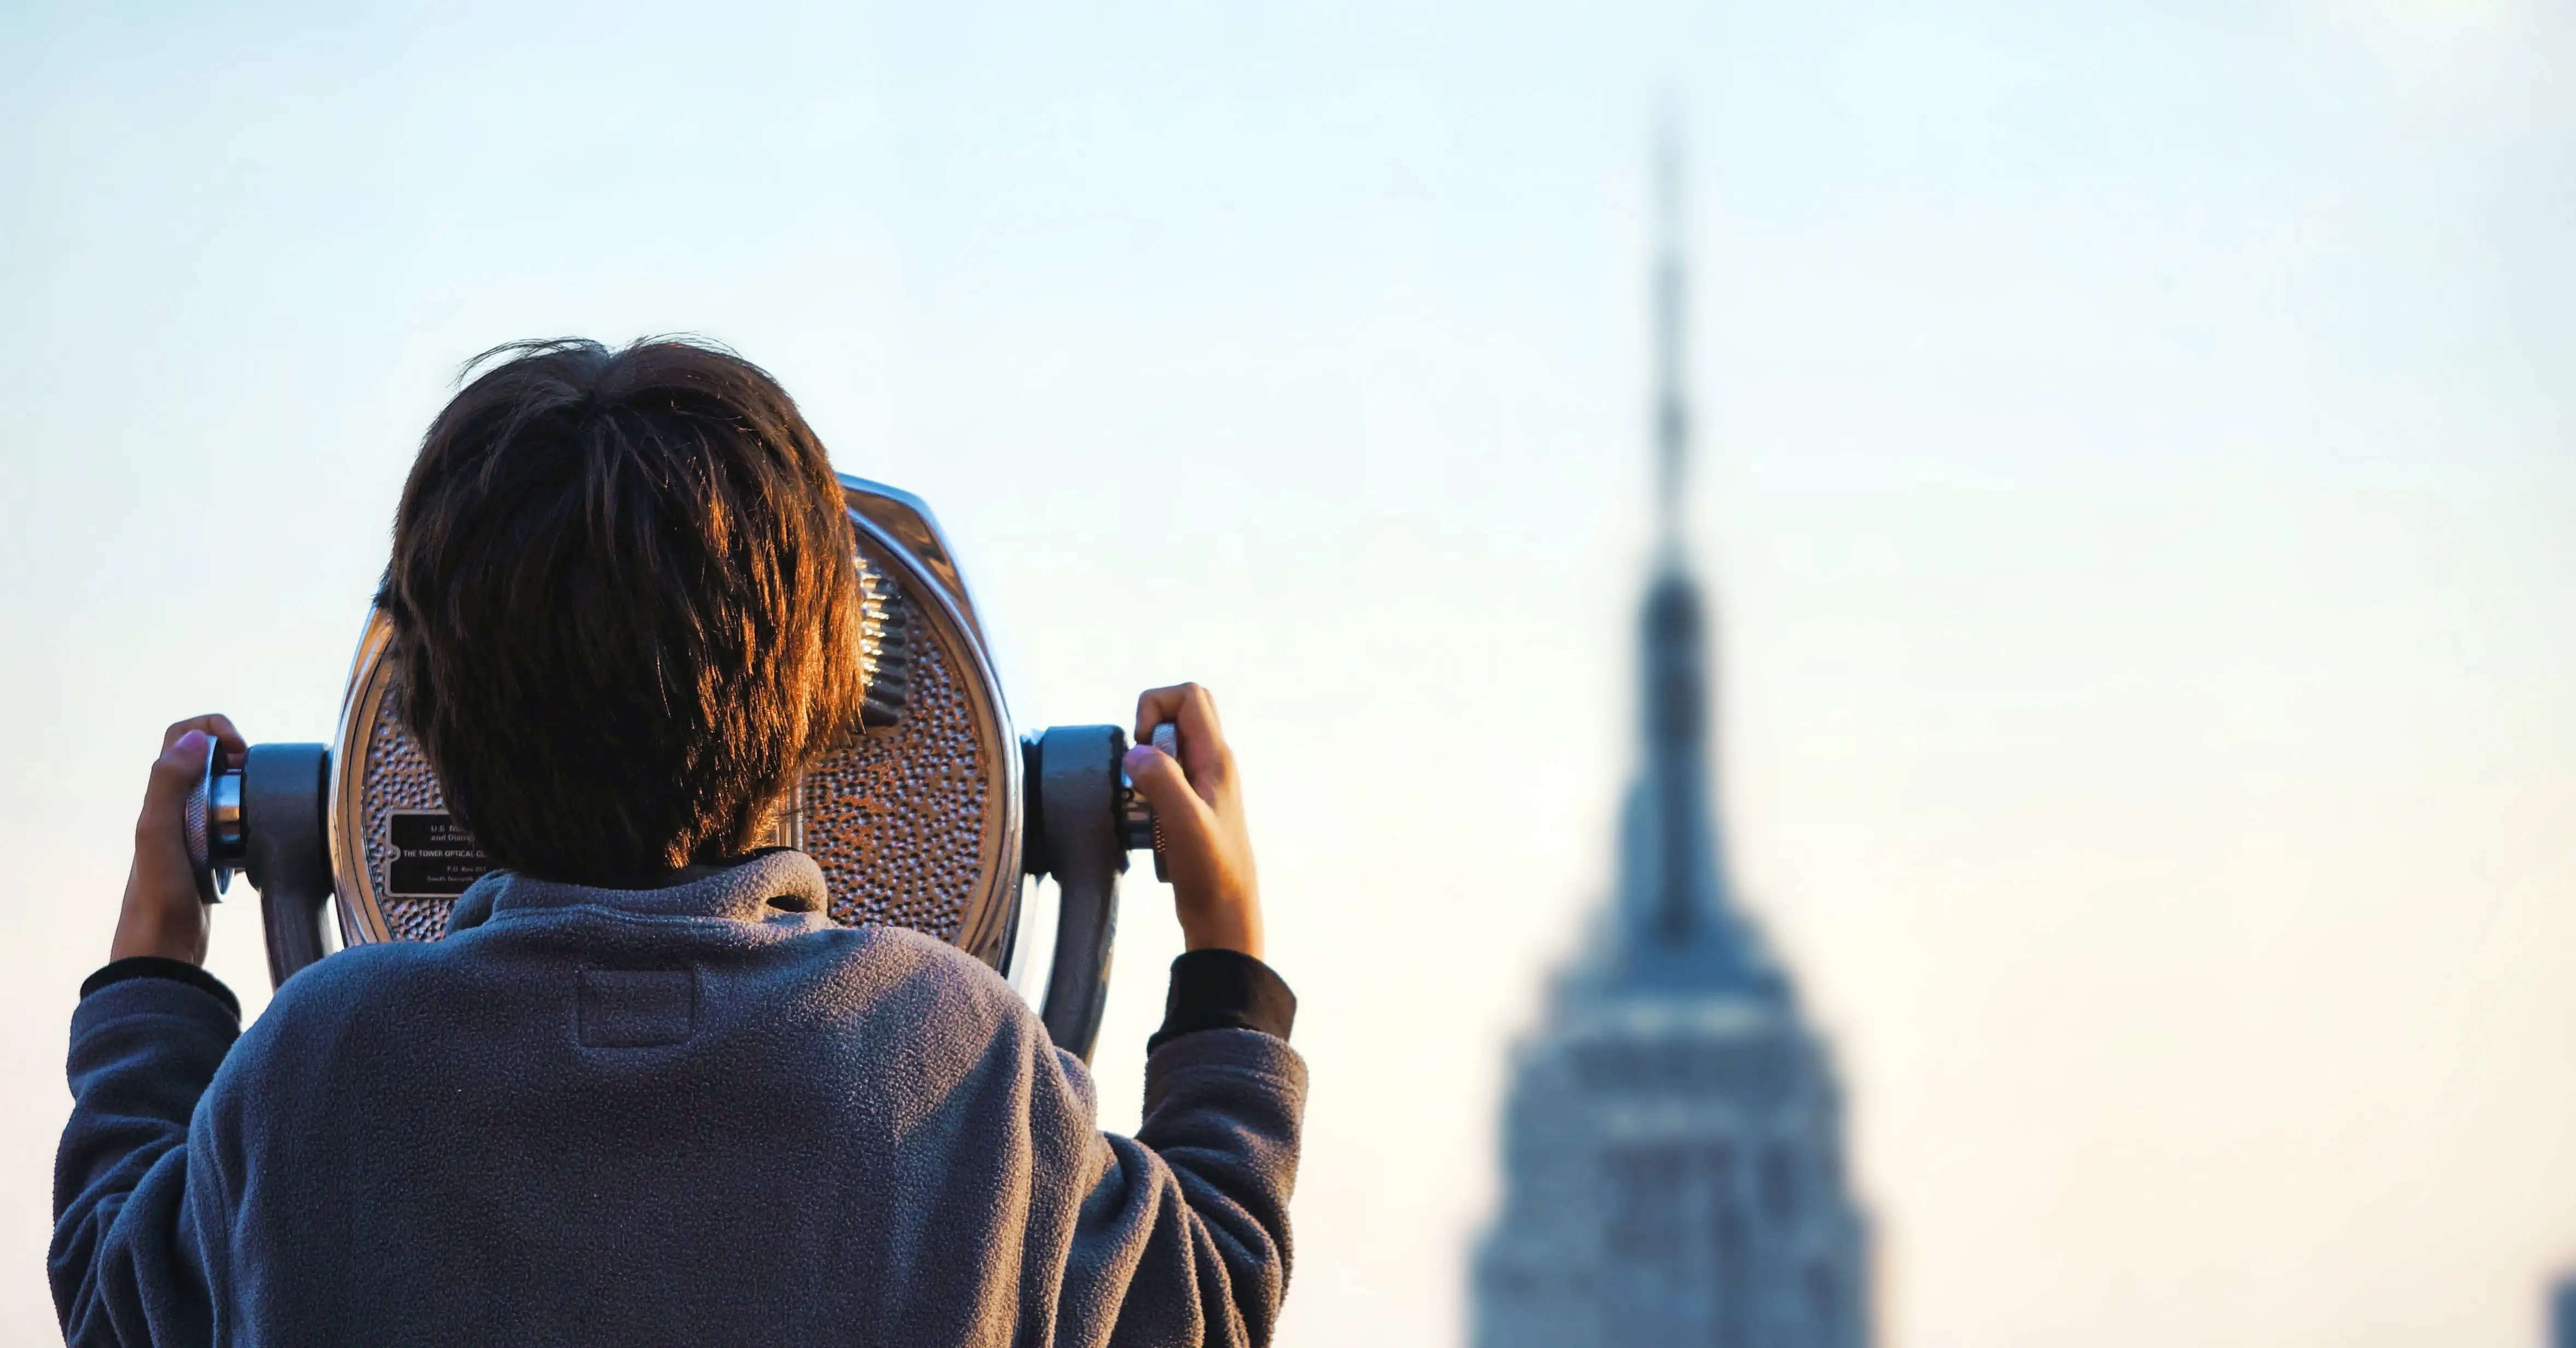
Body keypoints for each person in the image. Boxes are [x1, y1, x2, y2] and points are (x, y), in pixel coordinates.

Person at [51, 339, 1303, 1347]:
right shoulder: (961, 1060)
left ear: (420, 714)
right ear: (824, 691)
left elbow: (118, 1303)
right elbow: (1211, 1297)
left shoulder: (317, 1070)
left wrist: (156, 977)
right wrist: (1226, 967)